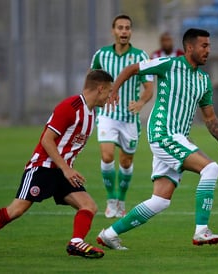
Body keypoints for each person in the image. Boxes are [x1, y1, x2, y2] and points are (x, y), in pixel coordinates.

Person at [96, 28, 218, 250]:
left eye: (209, 46)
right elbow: (132, 68)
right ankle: (201, 231)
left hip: (176, 137)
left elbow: (209, 117)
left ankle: (109, 234)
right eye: (204, 46)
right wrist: (114, 91)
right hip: (163, 133)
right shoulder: (169, 64)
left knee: (160, 201)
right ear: (190, 47)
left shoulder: (204, 80)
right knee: (211, 169)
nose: (208, 50)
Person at [0, 70, 114, 259]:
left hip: (62, 171)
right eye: (109, 91)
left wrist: (65, 169)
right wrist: (66, 168)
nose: (110, 95)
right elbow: (47, 140)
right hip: (43, 167)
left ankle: (75, 243)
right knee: (16, 210)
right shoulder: (69, 107)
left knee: (88, 205)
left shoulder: (91, 114)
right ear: (100, 88)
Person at [90, 14, 153, 218]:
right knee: (107, 155)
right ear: (113, 31)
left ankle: (121, 200)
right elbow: (92, 83)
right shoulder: (101, 55)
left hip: (129, 118)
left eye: (127, 28)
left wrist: (141, 102)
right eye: (120, 27)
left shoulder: (141, 57)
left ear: (131, 31)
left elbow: (149, 87)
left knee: (125, 163)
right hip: (107, 114)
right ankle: (110, 200)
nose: (124, 31)